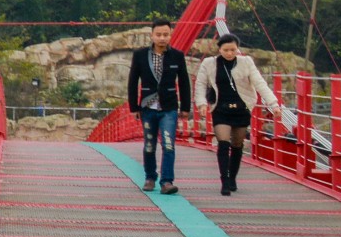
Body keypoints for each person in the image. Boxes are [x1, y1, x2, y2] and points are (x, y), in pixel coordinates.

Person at [201, 33, 297, 195]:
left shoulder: (246, 62)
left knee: (237, 144)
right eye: (226, 50)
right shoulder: (210, 63)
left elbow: (260, 83)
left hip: (241, 108)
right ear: (219, 49)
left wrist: (273, 104)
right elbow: (201, 84)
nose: (230, 53)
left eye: (233, 49)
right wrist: (201, 103)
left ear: (237, 49)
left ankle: (232, 178)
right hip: (220, 109)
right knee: (223, 143)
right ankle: (224, 181)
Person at [126, 19, 191, 194]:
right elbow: (133, 82)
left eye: (166, 35)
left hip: (169, 107)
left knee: (168, 144)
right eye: (158, 34)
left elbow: (184, 82)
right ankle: (150, 177)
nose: (162, 38)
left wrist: (185, 107)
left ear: (170, 35)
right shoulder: (140, 55)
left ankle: (167, 181)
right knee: (149, 144)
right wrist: (134, 107)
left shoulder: (177, 56)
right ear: (152, 35)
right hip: (147, 106)